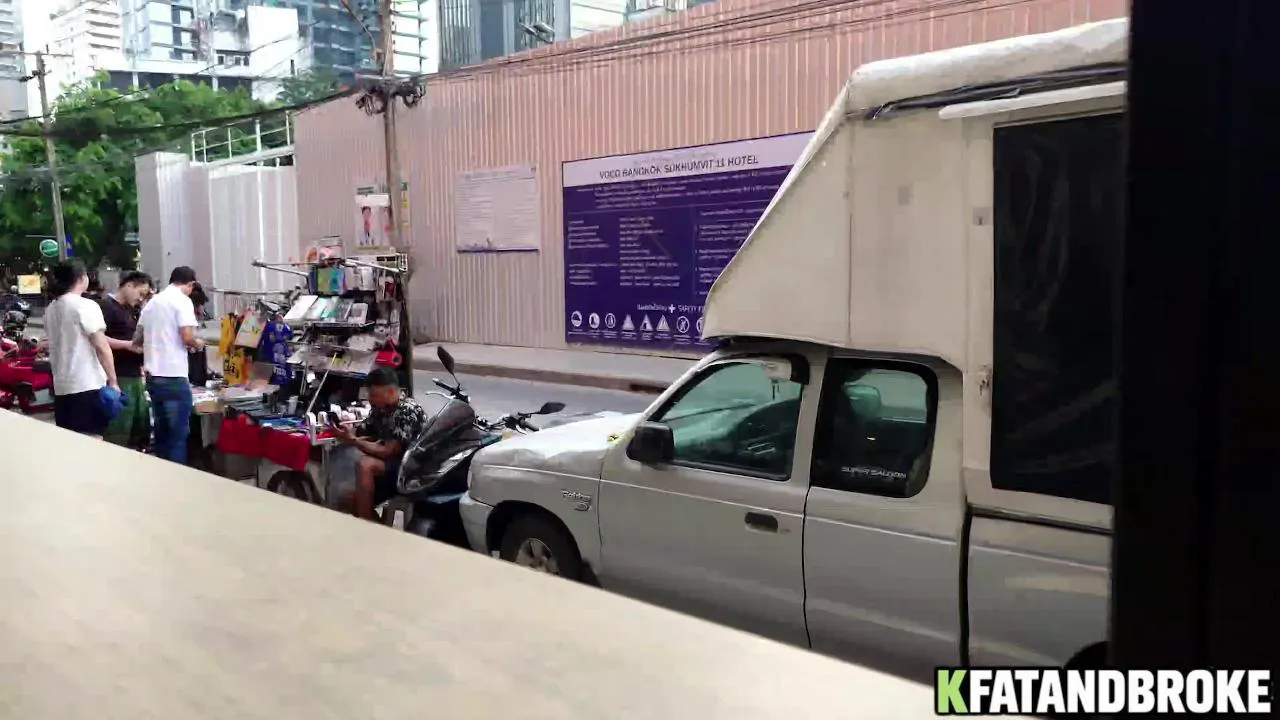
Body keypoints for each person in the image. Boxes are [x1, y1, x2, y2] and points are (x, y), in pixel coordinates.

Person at [330, 367, 427, 521]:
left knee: (366, 465)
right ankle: (375, 527)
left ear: (390, 392)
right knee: (348, 500)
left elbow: (388, 451)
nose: (370, 399)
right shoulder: (381, 407)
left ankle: (366, 523)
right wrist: (346, 431)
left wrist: (353, 441)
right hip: (391, 467)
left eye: (373, 394)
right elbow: (363, 431)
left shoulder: (406, 410)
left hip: (409, 469)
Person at [134, 266, 204, 464]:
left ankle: (162, 475)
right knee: (177, 437)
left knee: (162, 433)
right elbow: (187, 337)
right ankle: (176, 477)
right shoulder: (182, 301)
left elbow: (137, 339)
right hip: (173, 377)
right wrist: (198, 344)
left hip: (153, 378)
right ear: (190, 284)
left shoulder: (152, 303)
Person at [43, 260, 119, 435]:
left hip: (61, 388)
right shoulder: (85, 305)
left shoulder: (51, 309)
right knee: (92, 440)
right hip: (87, 385)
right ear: (81, 278)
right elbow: (101, 346)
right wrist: (113, 381)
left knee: (70, 442)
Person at [99, 271, 153, 449]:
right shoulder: (106, 307)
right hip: (118, 375)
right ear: (128, 285)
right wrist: (127, 345)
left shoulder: (132, 310)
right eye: (140, 293)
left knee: (140, 424)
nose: (140, 298)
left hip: (134, 374)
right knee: (120, 426)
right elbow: (98, 339)